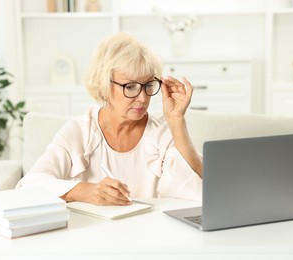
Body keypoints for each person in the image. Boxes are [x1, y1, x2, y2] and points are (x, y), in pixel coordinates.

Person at [16, 33, 202, 205]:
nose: (143, 98)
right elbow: (30, 184)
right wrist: (85, 191)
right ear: (104, 85)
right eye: (130, 87)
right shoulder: (79, 132)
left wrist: (177, 120)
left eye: (149, 85)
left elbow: (198, 189)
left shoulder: (162, 132)